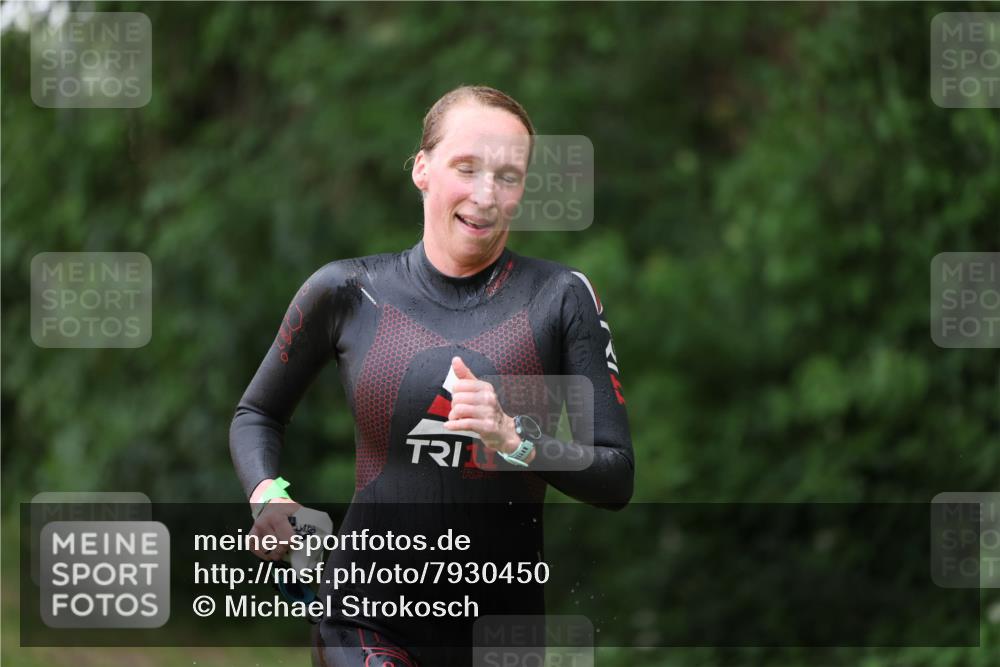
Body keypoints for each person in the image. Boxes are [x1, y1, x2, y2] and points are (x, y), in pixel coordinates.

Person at [230, 85, 634, 667]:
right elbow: (257, 415)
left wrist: (517, 442)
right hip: (363, 619)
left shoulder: (559, 298)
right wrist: (268, 494)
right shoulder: (348, 292)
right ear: (422, 168)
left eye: (508, 176)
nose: (485, 195)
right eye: (466, 168)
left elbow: (616, 476)